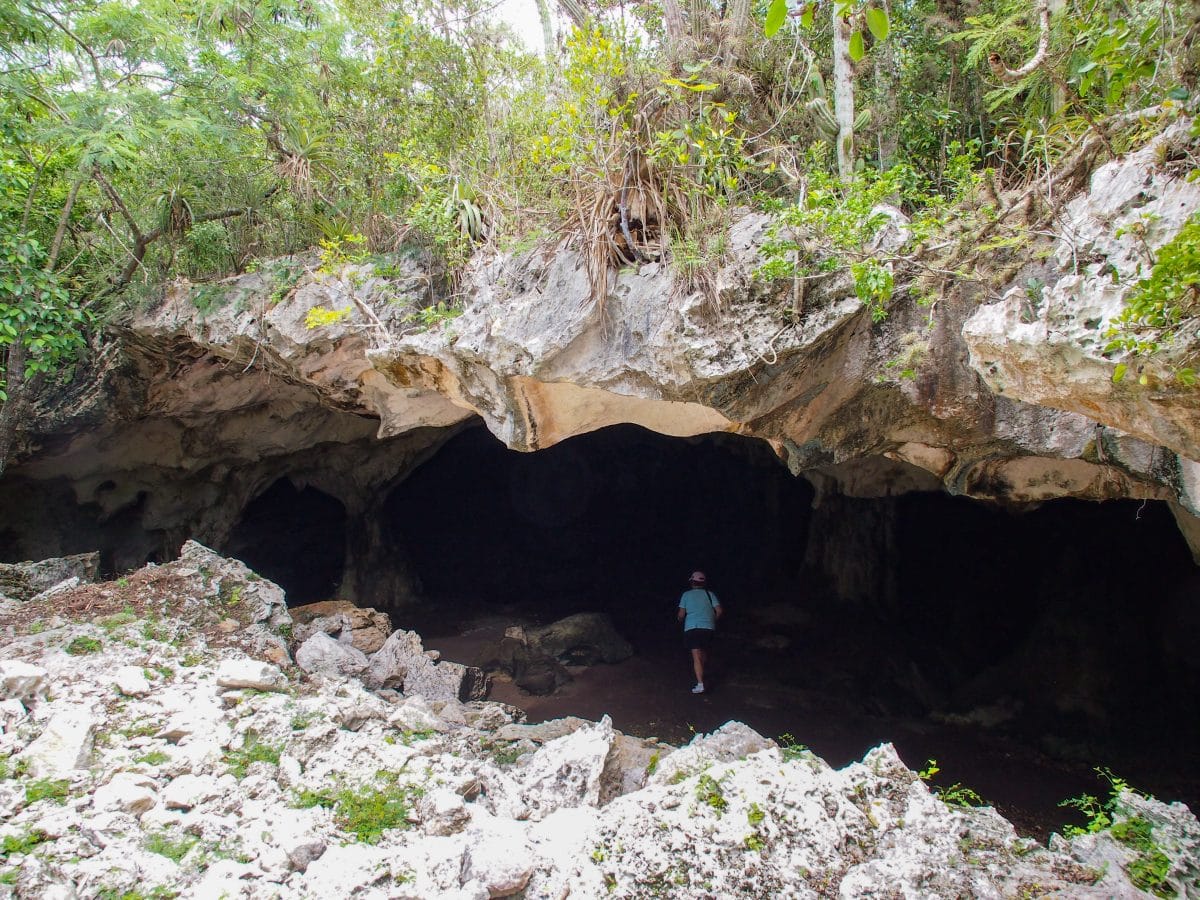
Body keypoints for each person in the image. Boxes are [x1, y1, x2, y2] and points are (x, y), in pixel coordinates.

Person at [677, 570, 721, 694]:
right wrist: (711, 621)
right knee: (704, 651)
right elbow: (719, 611)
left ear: (692, 582)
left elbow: (681, 614)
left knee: (696, 656)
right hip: (708, 628)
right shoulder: (709, 594)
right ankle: (703, 670)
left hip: (692, 627)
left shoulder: (686, 595)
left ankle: (700, 684)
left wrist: (680, 619)